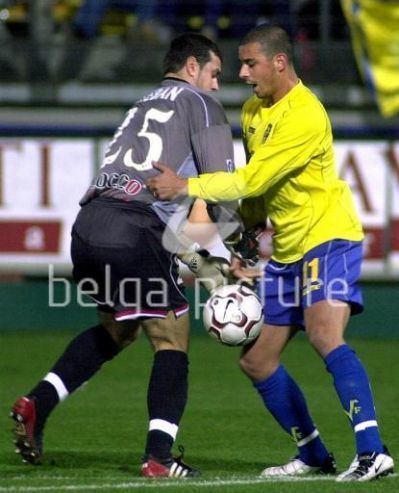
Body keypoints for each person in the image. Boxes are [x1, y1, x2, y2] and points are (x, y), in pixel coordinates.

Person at [147, 24, 395, 482]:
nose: (242, 72)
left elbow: (252, 179)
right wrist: (247, 229)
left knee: (324, 335)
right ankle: (315, 455)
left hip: (328, 236)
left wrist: (185, 186)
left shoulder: (305, 114)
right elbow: (262, 188)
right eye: (240, 63)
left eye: (250, 63)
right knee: (256, 360)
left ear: (279, 62)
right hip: (287, 248)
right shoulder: (252, 111)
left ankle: (372, 451)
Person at [10, 32, 236, 478]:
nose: (216, 85)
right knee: (171, 338)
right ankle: (159, 457)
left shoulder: (143, 103)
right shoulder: (203, 104)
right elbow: (220, 188)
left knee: (119, 328)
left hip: (90, 226)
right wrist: (240, 247)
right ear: (193, 67)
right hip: (133, 229)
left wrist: (204, 262)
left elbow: (175, 225)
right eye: (214, 73)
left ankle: (38, 402)